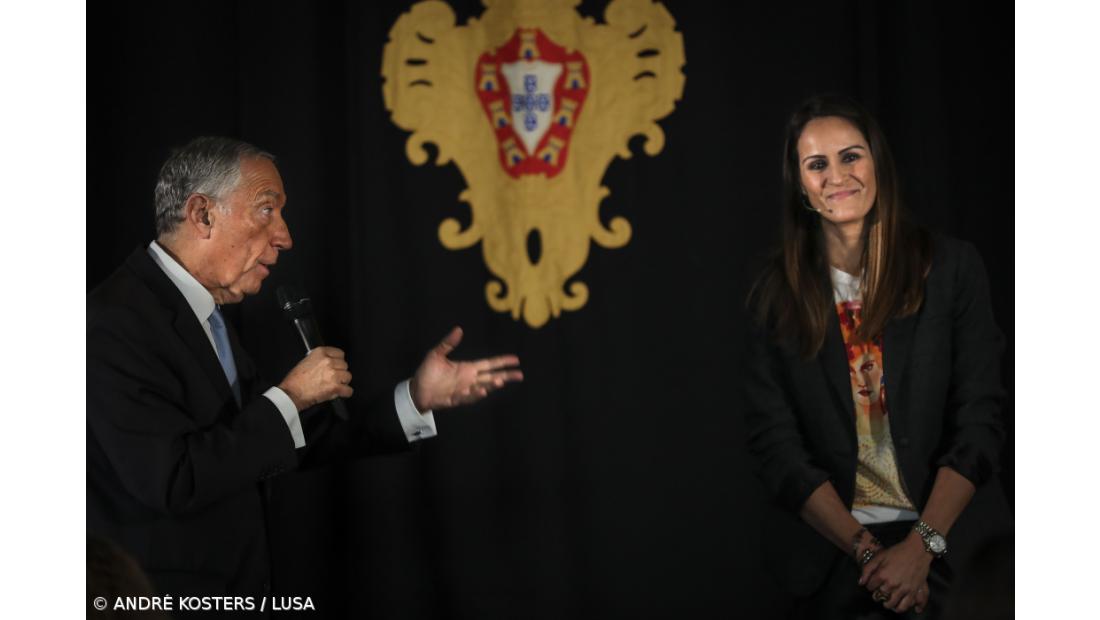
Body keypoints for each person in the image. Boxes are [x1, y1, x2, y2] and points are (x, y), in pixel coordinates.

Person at [87, 137, 523, 603]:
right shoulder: (112, 321)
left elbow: (275, 438)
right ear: (202, 215)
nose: (284, 236)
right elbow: (171, 480)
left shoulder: (206, 316)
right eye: (266, 209)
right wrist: (291, 396)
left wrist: (414, 398)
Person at [742, 95, 1010, 619]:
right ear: (800, 185)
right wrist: (869, 553)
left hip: (956, 555)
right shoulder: (773, 295)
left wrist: (919, 549)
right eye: (816, 164)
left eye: (851, 156)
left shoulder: (952, 269)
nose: (836, 176)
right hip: (834, 563)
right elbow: (776, 447)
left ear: (877, 163)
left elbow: (980, 423)